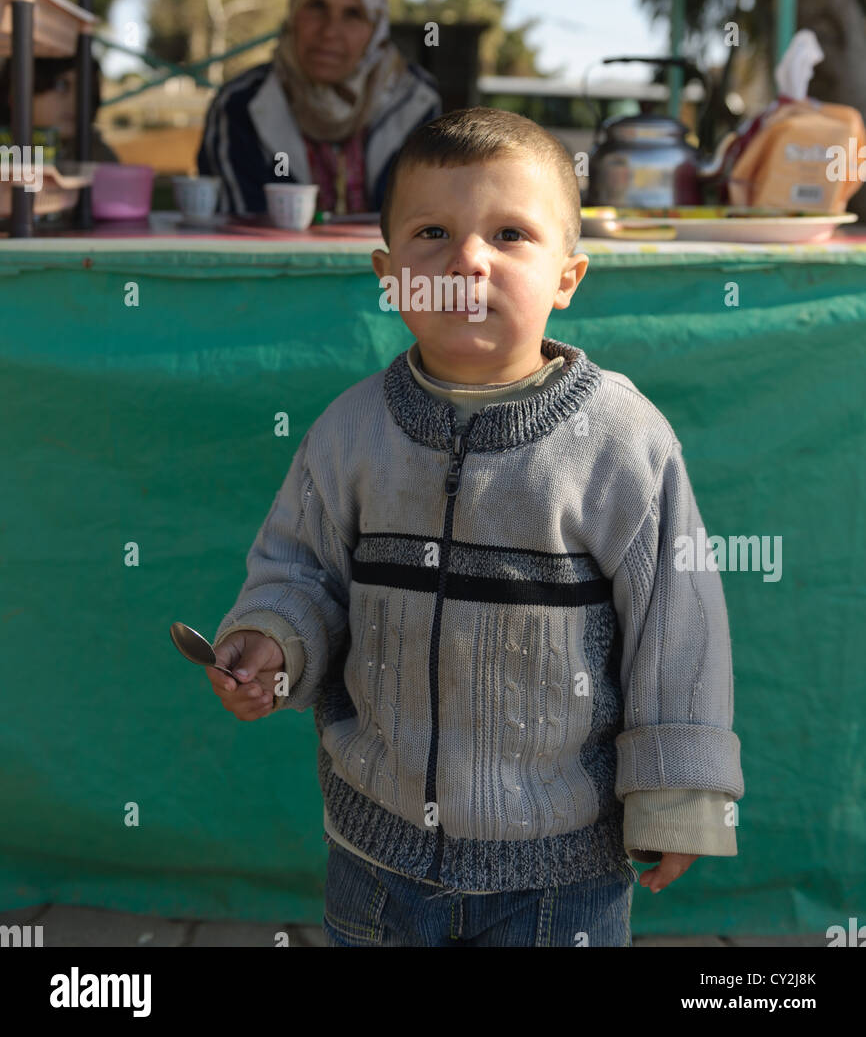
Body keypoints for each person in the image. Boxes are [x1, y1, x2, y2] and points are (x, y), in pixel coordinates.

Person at [206, 106, 744, 947]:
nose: (467, 260)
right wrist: (274, 644)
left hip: (562, 878)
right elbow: (298, 575)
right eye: (432, 232)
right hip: (374, 860)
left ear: (568, 276)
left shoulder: (622, 442)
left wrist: (677, 796)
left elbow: (678, 627)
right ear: (391, 276)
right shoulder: (349, 434)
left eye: (510, 234)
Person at [196, 0, 442, 216]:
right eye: (317, 7)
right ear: (293, 15)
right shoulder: (240, 105)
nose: (329, 31)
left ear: (376, 31)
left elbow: (425, 221)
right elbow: (242, 233)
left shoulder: (415, 101)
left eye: (353, 14)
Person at [0, 53, 117, 163]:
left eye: (86, 89)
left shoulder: (99, 160)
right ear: (15, 90)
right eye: (61, 85)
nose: (76, 100)